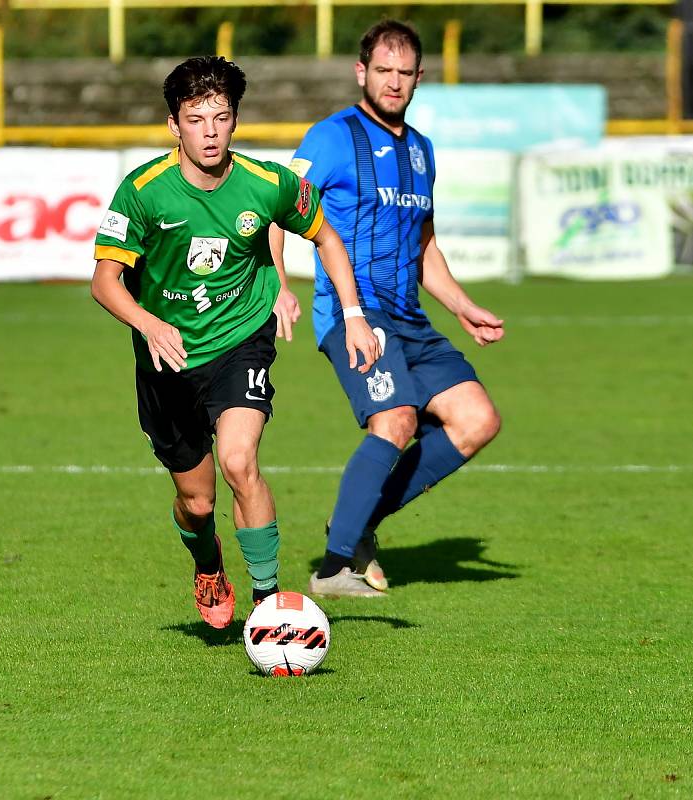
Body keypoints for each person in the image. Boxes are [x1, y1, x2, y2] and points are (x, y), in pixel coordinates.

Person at [91, 56, 380, 629]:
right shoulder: (143, 192)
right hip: (165, 356)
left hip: (240, 340)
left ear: (235, 120)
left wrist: (353, 314)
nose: (210, 132)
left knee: (239, 460)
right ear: (174, 125)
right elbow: (104, 281)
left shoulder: (268, 184)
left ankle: (270, 606)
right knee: (197, 505)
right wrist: (149, 323)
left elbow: (326, 236)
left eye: (221, 117)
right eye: (196, 120)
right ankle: (208, 565)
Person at [271, 20, 504, 597]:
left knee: (478, 420)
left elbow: (424, 246)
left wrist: (462, 306)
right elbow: (277, 209)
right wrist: (278, 284)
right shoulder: (330, 137)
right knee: (395, 421)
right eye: (383, 71)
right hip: (354, 313)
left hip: (411, 317)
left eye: (405, 74)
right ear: (362, 73)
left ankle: (360, 525)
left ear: (419, 77)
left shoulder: (422, 151)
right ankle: (333, 568)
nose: (394, 83)